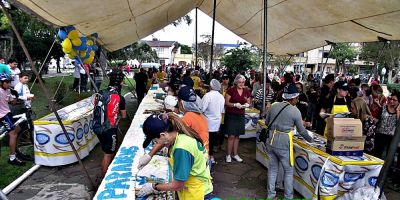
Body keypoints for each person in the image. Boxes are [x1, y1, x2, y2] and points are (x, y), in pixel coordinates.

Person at [137, 113, 213, 199]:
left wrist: (154, 187)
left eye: (155, 140)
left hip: (196, 192)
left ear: (163, 135)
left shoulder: (181, 149)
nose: (156, 143)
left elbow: (178, 185)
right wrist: (149, 155)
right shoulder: (179, 133)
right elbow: (164, 140)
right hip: (195, 185)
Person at [265, 83, 314, 200]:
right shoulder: (295, 111)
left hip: (271, 141)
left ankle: (271, 195)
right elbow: (302, 131)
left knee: (272, 170)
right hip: (284, 143)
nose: (297, 101)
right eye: (297, 98)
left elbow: (267, 123)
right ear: (293, 98)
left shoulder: (273, 106)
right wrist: (311, 140)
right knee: (288, 171)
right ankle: (288, 197)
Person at [94, 71, 126, 176]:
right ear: (120, 82)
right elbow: (124, 115)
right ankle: (104, 179)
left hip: (97, 126)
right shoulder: (120, 98)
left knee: (106, 151)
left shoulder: (100, 92)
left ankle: (106, 171)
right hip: (110, 129)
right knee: (108, 154)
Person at [224, 74, 251, 163]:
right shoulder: (231, 90)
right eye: (239, 82)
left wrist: (247, 105)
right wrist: (234, 104)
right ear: (236, 82)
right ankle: (228, 154)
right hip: (231, 115)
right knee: (231, 136)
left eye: (243, 82)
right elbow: (226, 103)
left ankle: (235, 154)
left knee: (237, 136)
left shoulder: (246, 91)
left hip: (241, 115)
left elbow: (249, 102)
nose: (241, 84)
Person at [0, 73, 24, 166]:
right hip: (2, 115)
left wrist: (15, 95)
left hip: (7, 113)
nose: (9, 84)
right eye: (7, 82)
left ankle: (14, 150)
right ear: (1, 82)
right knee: (13, 134)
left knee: (18, 129)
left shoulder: (7, 90)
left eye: (10, 82)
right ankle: (12, 158)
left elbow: (13, 103)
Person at [202, 79, 225, 163]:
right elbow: (222, 110)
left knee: (206, 140)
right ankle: (211, 157)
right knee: (212, 140)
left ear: (210, 86)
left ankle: (206, 156)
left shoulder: (207, 96)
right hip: (216, 122)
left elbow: (202, 108)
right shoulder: (221, 96)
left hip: (207, 121)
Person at [374, 91, 400, 159]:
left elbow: (398, 124)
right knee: (377, 154)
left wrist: (398, 111)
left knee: (389, 155)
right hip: (380, 134)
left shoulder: (399, 111)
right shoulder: (384, 108)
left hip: (392, 137)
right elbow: (377, 119)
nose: (391, 101)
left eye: (394, 100)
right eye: (391, 99)